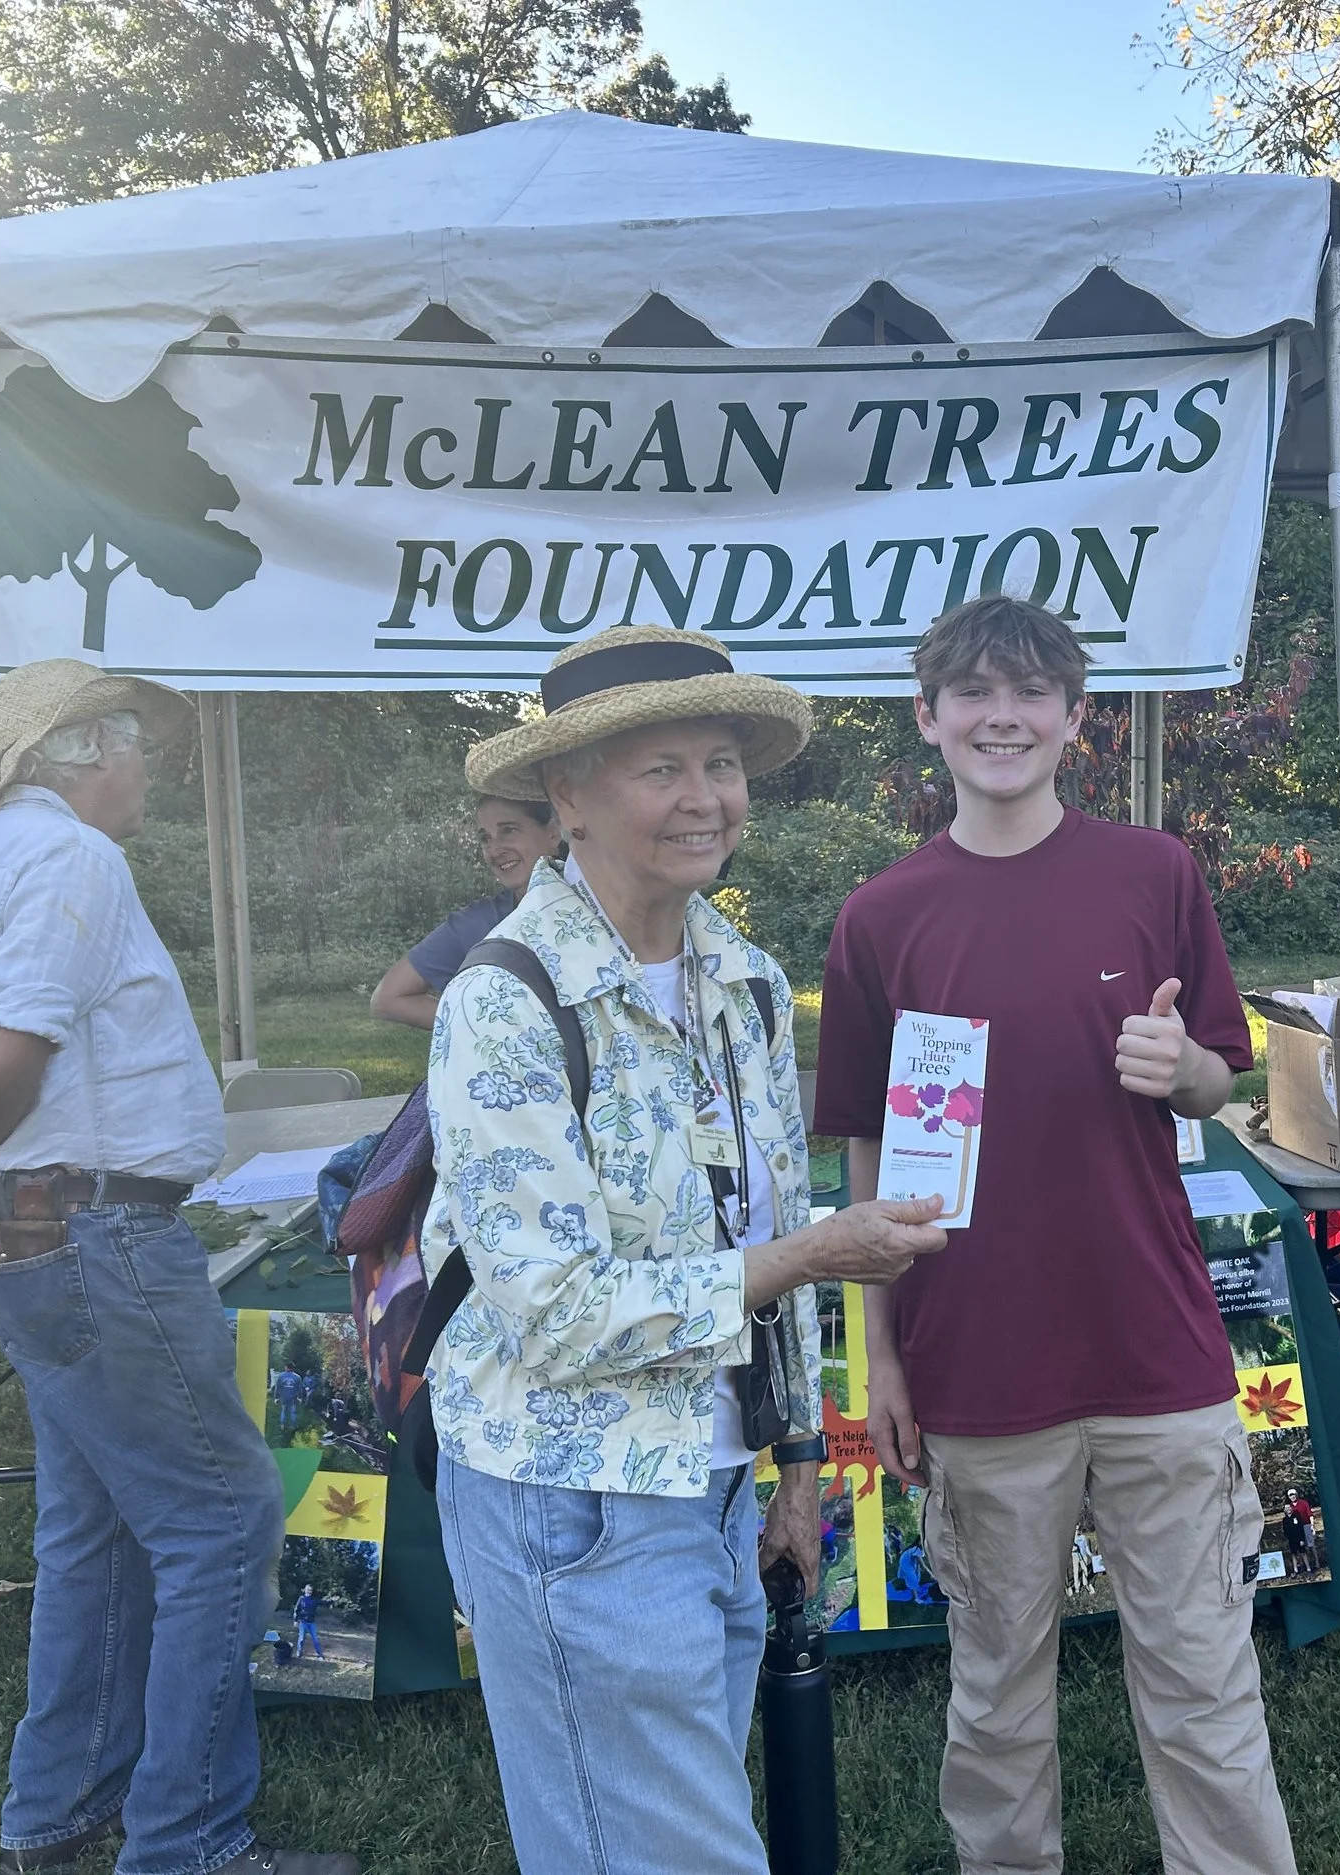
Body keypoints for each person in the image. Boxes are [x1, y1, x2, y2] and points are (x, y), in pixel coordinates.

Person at [424, 624, 947, 1875]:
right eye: (663, 768)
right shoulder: (505, 998)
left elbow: (767, 1228)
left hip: (711, 1490)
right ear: (566, 797)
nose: (705, 798)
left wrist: (798, 1463)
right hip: (574, 1501)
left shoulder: (748, 981)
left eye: (721, 762)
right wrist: (811, 1256)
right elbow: (553, 1314)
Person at [815, 595, 1298, 1875]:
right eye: (973, 693)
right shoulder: (881, 917)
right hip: (976, 1361)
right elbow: (865, 1150)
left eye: (1032, 693)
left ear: (1075, 718)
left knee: (1203, 1682)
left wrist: (1184, 1064)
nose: (1002, 717)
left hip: (1155, 1350)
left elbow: (1221, 1082)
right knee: (995, 1693)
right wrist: (883, 1357)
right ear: (928, 719)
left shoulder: (1155, 874)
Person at [0, 660, 353, 1875]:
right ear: (87, 746)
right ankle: (185, 1845)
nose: (151, 771)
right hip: (94, 1235)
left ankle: (63, 1817)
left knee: (97, 1529)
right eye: (139, 747)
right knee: (224, 1524)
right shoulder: (75, 860)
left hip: (28, 1242)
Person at [368, 794, 567, 1029]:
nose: (494, 850)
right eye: (485, 838)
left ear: (553, 833)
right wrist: (492, 1026)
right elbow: (388, 999)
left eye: (509, 830)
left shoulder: (604, 902)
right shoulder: (478, 923)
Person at [293, 1586, 326, 1662]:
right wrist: (295, 1620)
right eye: (308, 1590)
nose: (309, 1591)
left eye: (310, 1590)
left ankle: (320, 1654)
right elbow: (296, 1609)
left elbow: (323, 1602)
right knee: (301, 1639)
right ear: (305, 1590)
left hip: (311, 1623)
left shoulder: (314, 1600)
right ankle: (299, 1653)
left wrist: (332, 1601)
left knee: (315, 1639)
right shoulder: (301, 1599)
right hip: (303, 1622)